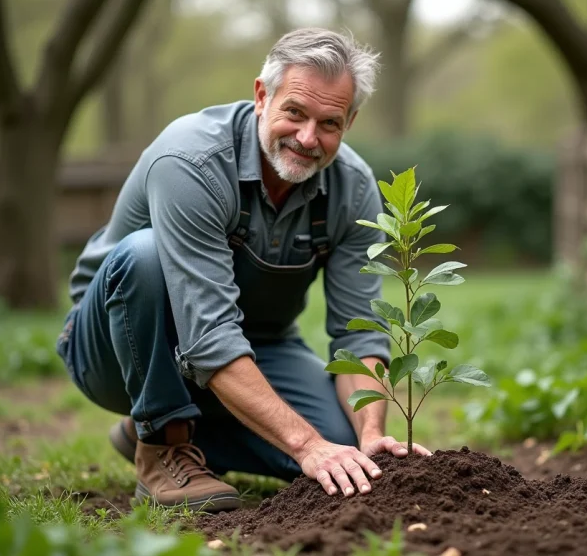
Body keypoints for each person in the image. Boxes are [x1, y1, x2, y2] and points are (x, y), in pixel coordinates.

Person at [55, 27, 431, 513]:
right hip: (114, 344)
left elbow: (359, 335)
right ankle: (162, 439)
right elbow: (208, 335)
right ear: (261, 95)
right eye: (294, 112)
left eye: (330, 123)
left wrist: (371, 432)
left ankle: (179, 425)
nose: (308, 138)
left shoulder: (352, 189)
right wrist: (304, 444)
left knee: (344, 443)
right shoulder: (192, 159)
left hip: (259, 344)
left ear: (350, 121)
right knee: (145, 255)